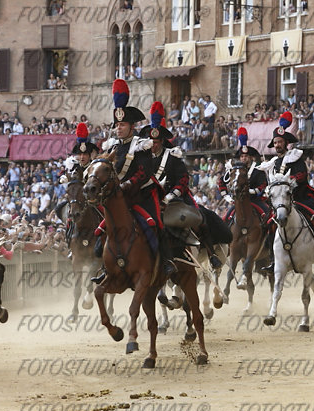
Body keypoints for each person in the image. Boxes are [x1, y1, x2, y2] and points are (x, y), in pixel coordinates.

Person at [92, 79, 175, 283]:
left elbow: (143, 173)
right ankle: (106, 267)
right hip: (120, 198)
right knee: (101, 229)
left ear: (131, 126)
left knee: (155, 224)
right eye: (117, 125)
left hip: (142, 195)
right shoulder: (111, 148)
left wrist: (127, 185)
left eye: (123, 125)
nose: (119, 128)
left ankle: (166, 261)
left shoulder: (142, 146)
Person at [140, 102, 223, 269]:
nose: (153, 144)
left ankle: (211, 253)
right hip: (152, 198)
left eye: (156, 141)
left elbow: (184, 179)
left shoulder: (172, 156)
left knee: (198, 218)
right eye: (151, 141)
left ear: (162, 141)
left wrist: (172, 195)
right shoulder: (143, 158)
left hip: (175, 198)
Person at [258, 112, 314, 271]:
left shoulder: (295, 157)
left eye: (280, 142)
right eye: (275, 142)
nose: (277, 145)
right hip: (282, 201)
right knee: (269, 225)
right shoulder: (273, 163)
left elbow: (302, 175)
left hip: (301, 197)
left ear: (286, 143)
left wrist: (288, 182)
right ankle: (273, 260)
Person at [219, 127, 270, 221]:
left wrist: (250, 191)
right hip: (238, 202)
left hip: (255, 200)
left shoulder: (258, 170)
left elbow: (263, 185)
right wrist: (227, 197)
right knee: (225, 219)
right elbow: (221, 182)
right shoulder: (233, 170)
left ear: (250, 157)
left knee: (267, 216)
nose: (243, 158)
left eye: (246, 156)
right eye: (242, 156)